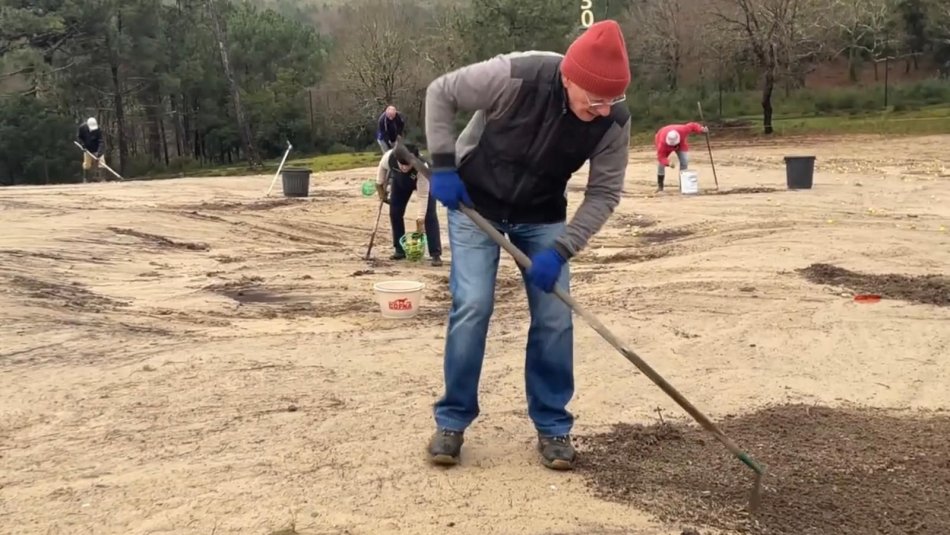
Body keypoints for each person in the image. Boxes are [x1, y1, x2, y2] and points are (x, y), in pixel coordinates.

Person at [422, 20, 631, 470]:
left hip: (542, 217)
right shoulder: (516, 76)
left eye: (612, 100)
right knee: (473, 304)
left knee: (555, 315)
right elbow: (441, 92)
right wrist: (443, 165)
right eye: (595, 99)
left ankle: (554, 427)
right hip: (474, 204)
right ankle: (453, 419)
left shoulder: (611, 121)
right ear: (569, 77)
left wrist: (561, 249)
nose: (603, 109)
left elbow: (604, 193)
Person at [375, 143, 443, 266]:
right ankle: (399, 250)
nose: (404, 168)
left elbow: (423, 196)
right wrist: (380, 187)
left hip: (424, 184)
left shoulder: (423, 167)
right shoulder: (389, 157)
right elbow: (382, 169)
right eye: (402, 164)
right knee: (395, 212)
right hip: (400, 183)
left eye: (408, 165)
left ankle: (435, 254)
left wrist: (420, 220)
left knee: (429, 214)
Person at [654, 122, 708, 192]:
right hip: (665, 146)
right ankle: (660, 187)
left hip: (680, 144)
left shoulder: (683, 130)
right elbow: (661, 157)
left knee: (684, 161)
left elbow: (692, 126)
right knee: (661, 165)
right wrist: (668, 162)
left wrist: (701, 129)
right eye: (672, 145)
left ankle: (683, 186)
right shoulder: (662, 144)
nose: (673, 147)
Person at [77, 117, 106, 183]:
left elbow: (101, 142)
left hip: (97, 149)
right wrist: (83, 145)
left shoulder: (98, 130)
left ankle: (102, 179)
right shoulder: (82, 128)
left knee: (102, 163)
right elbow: (79, 137)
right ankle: (86, 179)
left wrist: (98, 153)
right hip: (87, 149)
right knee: (87, 164)